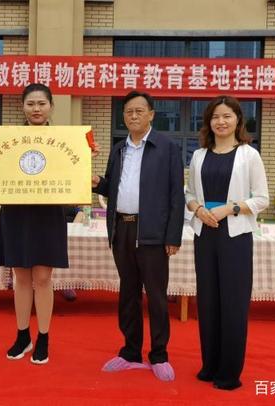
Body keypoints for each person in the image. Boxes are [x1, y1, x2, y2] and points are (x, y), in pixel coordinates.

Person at [92, 90, 185, 382]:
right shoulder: (119, 149)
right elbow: (112, 187)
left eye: (139, 111)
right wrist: (97, 182)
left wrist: (173, 236)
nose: (133, 116)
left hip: (152, 231)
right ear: (123, 116)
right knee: (128, 294)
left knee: (156, 295)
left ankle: (159, 355)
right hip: (122, 228)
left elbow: (176, 194)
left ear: (151, 114)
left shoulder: (167, 147)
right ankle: (130, 351)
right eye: (128, 111)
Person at [185, 95, 269, 390]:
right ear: (208, 122)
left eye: (227, 116)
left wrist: (230, 208)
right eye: (215, 117)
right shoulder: (199, 155)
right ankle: (210, 364)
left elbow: (262, 199)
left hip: (235, 235)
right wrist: (198, 209)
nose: (221, 122)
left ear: (237, 120)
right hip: (205, 233)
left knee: (232, 303)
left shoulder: (249, 155)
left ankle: (229, 372)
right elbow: (189, 193)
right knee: (207, 301)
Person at [0, 83, 69, 365]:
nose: (36, 109)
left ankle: (44, 337)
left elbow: (72, 172)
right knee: (21, 277)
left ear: (51, 106)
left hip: (48, 213)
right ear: (22, 107)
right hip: (16, 211)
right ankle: (22, 335)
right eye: (30, 104)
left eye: (41, 103)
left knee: (43, 277)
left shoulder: (64, 141)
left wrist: (86, 155)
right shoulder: (8, 140)